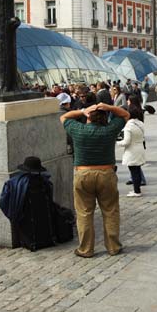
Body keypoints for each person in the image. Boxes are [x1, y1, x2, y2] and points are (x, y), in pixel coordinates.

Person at [60, 99, 129, 257]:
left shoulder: (78, 129)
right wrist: (109, 107)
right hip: (106, 173)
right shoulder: (109, 130)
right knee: (110, 210)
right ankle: (113, 246)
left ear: (88, 117)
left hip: (83, 174)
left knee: (84, 213)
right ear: (105, 117)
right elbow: (125, 114)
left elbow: (64, 117)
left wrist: (82, 110)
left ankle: (86, 249)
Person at [117, 105, 147, 197]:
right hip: (139, 147)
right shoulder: (140, 123)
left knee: (134, 171)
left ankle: (136, 191)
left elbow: (126, 141)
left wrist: (118, 142)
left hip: (132, 150)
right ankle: (137, 189)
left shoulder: (128, 126)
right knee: (137, 170)